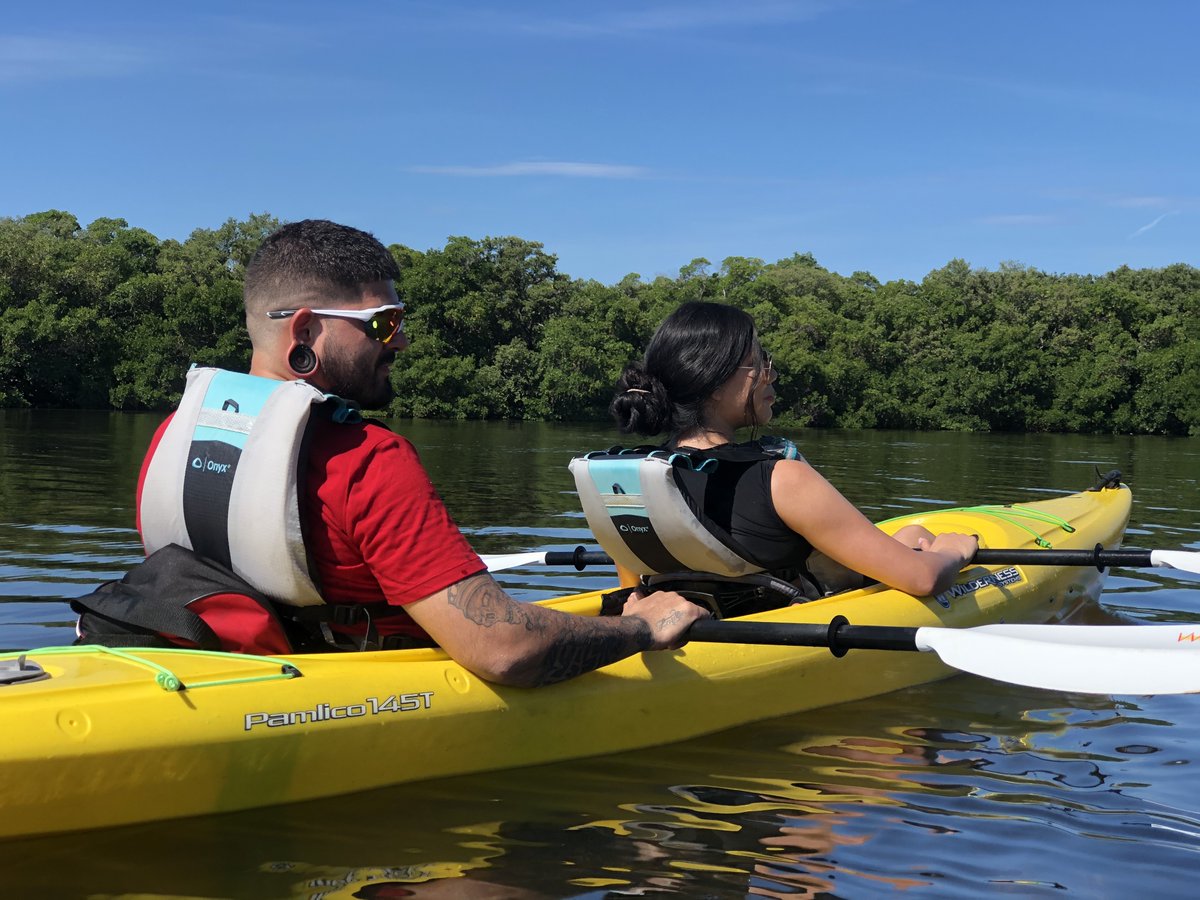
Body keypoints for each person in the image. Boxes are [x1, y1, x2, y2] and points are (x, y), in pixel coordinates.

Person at [127, 219, 706, 685]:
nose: (401, 340)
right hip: (357, 693)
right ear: (304, 331)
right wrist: (640, 630)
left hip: (221, 675)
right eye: (383, 323)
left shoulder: (174, 435)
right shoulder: (367, 459)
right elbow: (503, 649)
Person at [608, 301, 977, 598]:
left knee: (910, 536)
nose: (772, 374)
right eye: (759, 362)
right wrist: (952, 553)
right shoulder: (783, 478)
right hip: (770, 640)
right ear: (716, 384)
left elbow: (632, 591)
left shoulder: (626, 480)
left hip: (685, 629)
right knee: (918, 543)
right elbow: (922, 580)